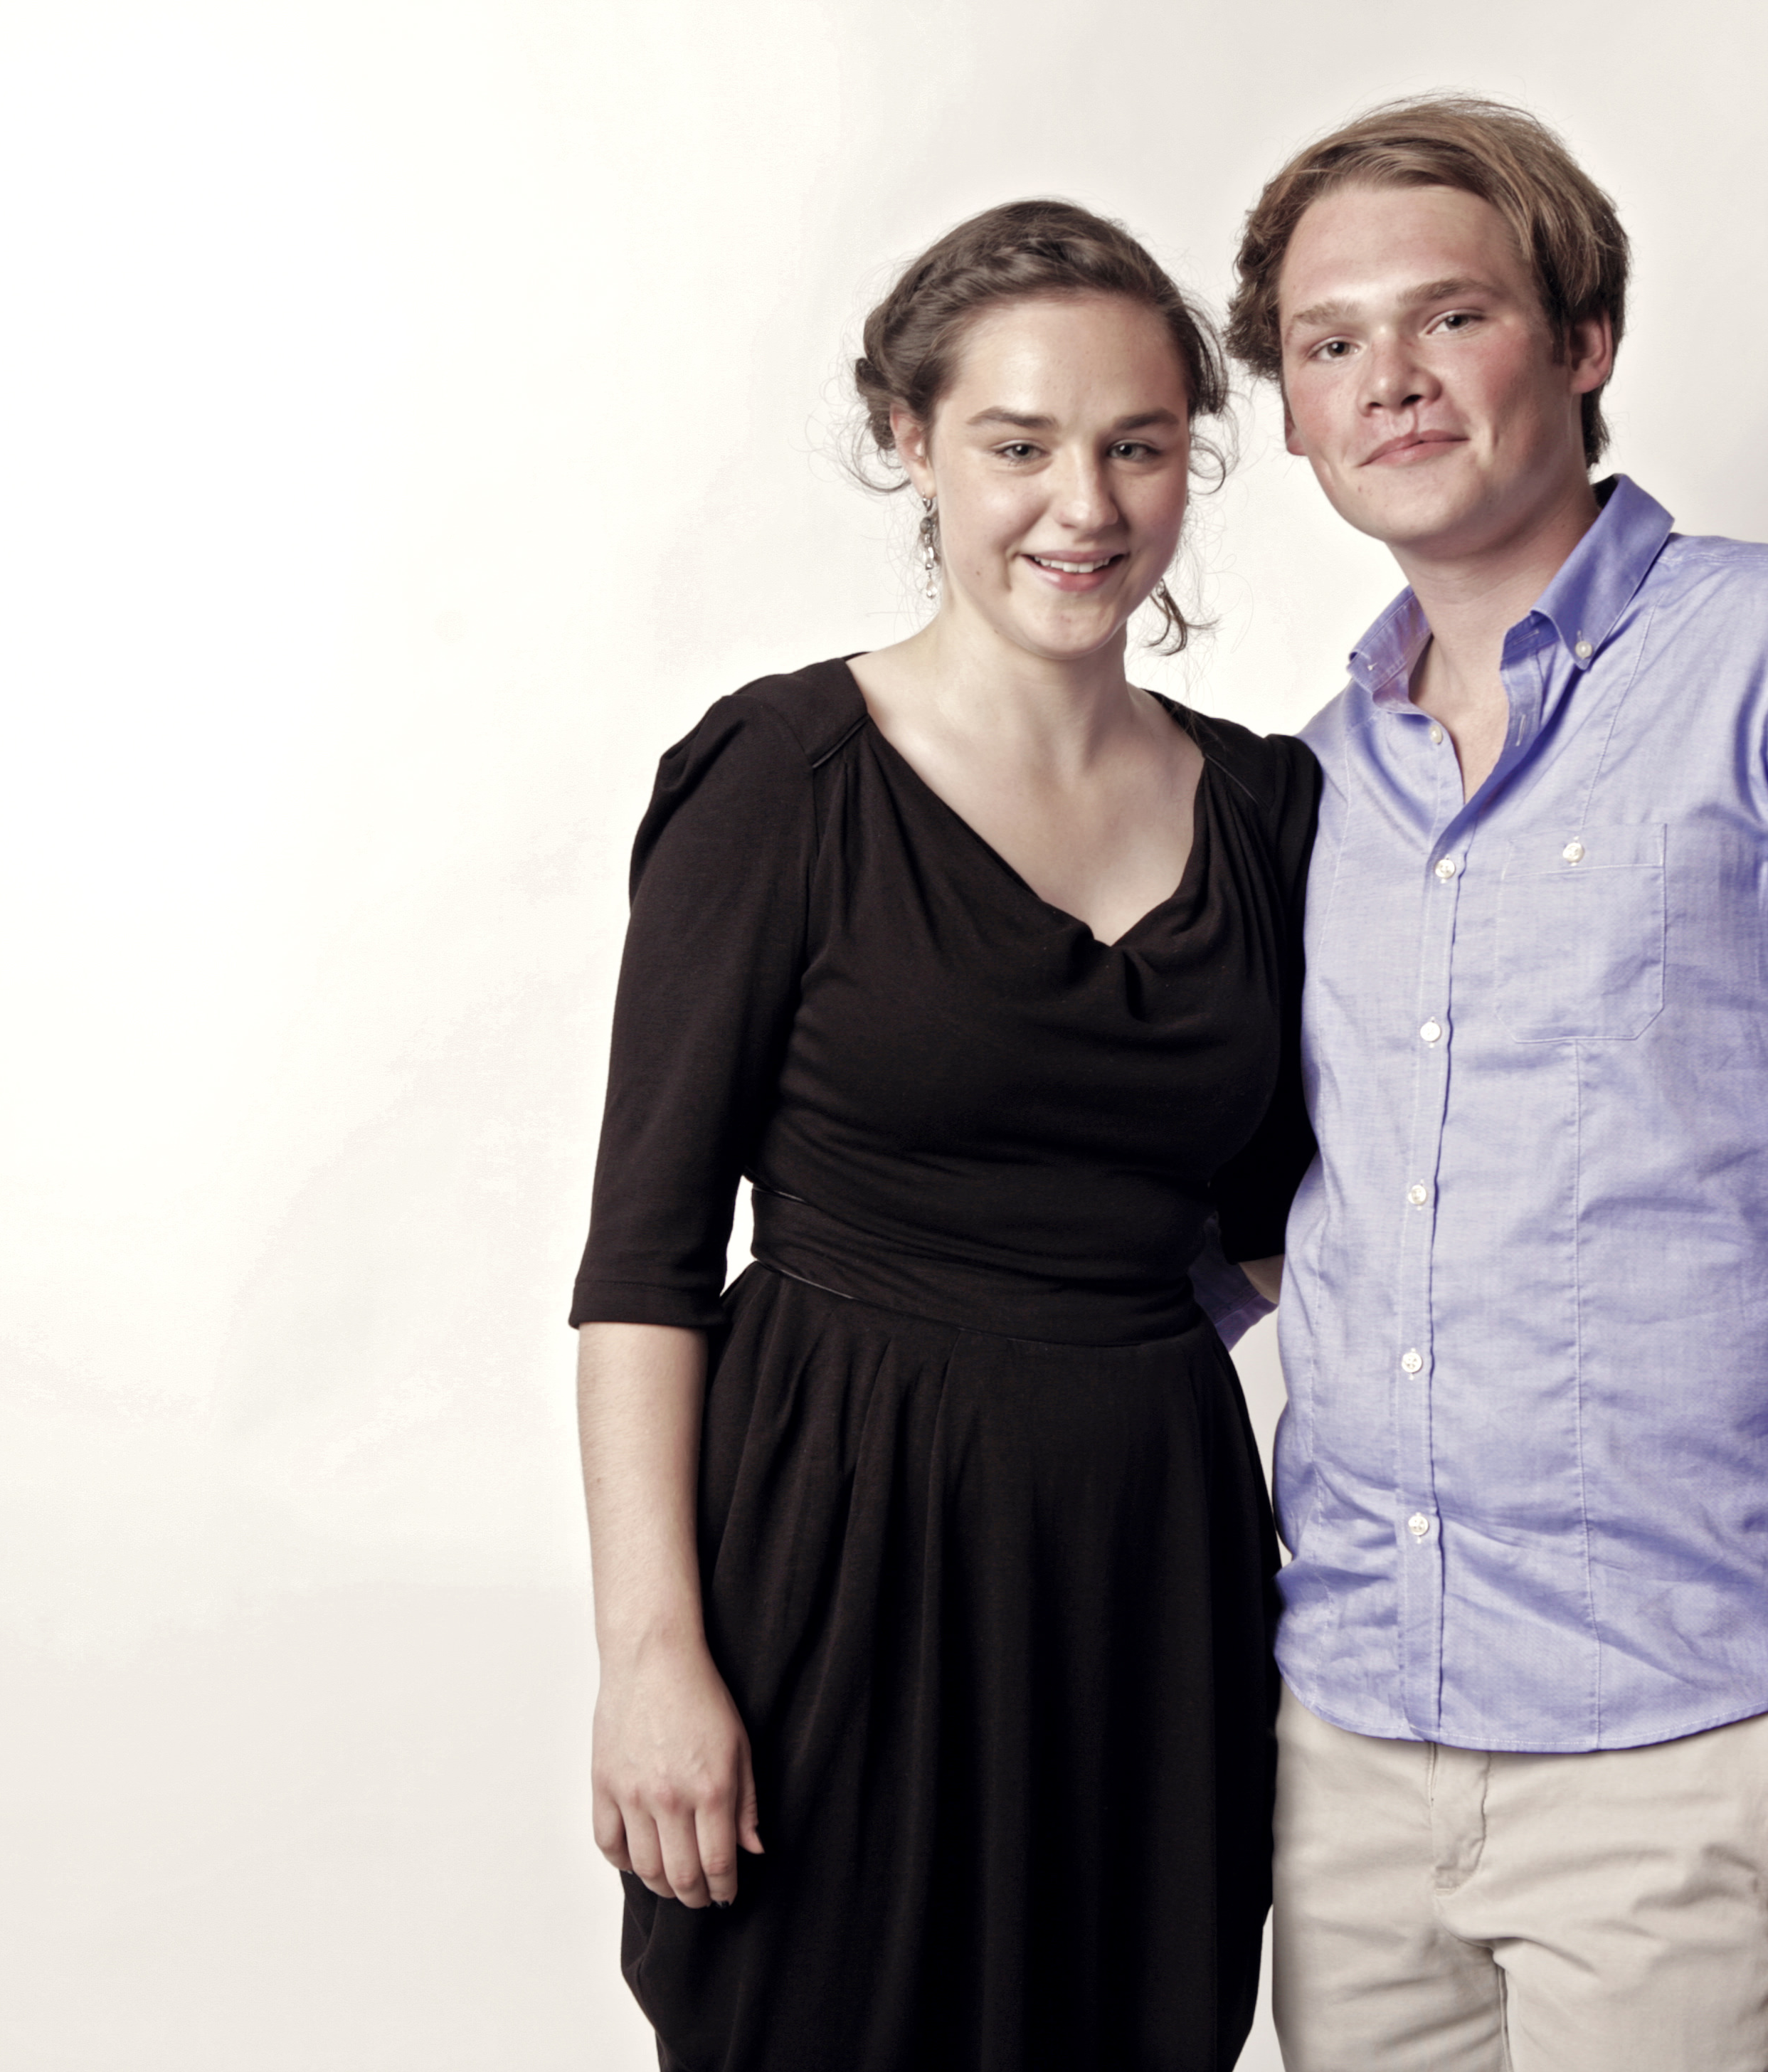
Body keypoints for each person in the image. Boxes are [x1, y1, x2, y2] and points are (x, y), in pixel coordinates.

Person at [1212, 95, 1768, 2069]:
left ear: (1583, 342)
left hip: (1678, 1741)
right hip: (1343, 1731)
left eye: (1451, 317)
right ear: (1296, 412)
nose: (1390, 379)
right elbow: (1283, 1222)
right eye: (1332, 342)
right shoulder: (1310, 783)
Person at [570, 200, 1318, 2071]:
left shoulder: (1270, 809)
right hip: (839, 1549)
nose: (1084, 505)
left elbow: (1286, 1217)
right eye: (1019, 444)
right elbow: (646, 1260)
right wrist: (652, 1655)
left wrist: (1081, 1358)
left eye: (1137, 446)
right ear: (912, 441)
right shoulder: (784, 778)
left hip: (1151, 1562)